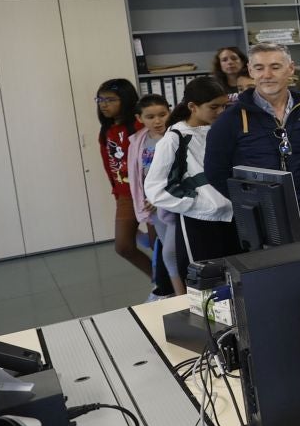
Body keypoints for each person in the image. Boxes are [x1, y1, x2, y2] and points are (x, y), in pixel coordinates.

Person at [203, 43, 300, 224]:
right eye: (259, 68)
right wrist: (248, 202)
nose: (267, 75)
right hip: (257, 216)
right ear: (250, 71)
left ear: (290, 69)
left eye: (275, 67)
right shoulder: (230, 119)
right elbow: (215, 171)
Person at [145, 77, 236, 272]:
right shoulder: (173, 139)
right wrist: (199, 204)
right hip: (199, 223)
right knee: (207, 284)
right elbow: (156, 189)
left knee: (236, 279)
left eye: (224, 106)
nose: (221, 112)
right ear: (193, 106)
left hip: (232, 219)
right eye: (214, 107)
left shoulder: (221, 130)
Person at [94, 78, 152, 277]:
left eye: (110, 99)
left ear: (126, 100)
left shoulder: (140, 126)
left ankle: (167, 285)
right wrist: (116, 192)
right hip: (125, 195)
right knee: (123, 246)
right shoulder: (107, 131)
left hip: (149, 195)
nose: (103, 104)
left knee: (158, 245)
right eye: (100, 99)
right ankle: (158, 281)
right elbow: (109, 165)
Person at [128, 93, 173, 296]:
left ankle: (175, 290)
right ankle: (169, 290)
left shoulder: (174, 136)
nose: (157, 121)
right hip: (151, 203)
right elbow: (137, 174)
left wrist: (159, 198)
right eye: (150, 116)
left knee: (172, 250)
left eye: (162, 114)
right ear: (140, 119)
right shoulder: (139, 141)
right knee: (164, 246)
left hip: (170, 201)